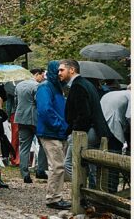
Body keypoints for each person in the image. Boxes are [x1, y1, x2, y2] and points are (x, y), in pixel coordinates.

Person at [59, 59, 115, 189]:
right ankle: (93, 194)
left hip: (86, 132)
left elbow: (84, 114)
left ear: (72, 70)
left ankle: (82, 196)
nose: (59, 73)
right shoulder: (87, 84)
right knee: (91, 165)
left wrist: (74, 132)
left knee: (69, 163)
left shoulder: (78, 86)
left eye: (62, 70)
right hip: (95, 130)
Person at [37, 61, 71, 210]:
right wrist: (60, 125)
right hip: (50, 132)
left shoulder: (58, 88)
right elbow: (45, 110)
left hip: (58, 132)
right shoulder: (45, 87)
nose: (59, 74)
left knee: (59, 165)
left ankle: (56, 196)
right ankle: (53, 198)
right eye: (57, 71)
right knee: (57, 166)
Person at [15, 67, 48, 183]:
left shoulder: (19, 85)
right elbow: (39, 102)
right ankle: (40, 170)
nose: (43, 78)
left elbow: (17, 101)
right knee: (43, 143)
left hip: (21, 118)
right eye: (42, 75)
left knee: (24, 146)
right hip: (34, 118)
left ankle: (25, 173)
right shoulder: (37, 86)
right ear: (37, 74)